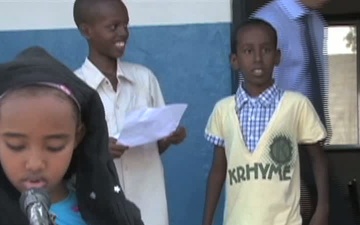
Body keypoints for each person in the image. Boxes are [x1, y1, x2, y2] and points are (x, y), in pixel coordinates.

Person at [202, 19, 329, 225]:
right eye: (248, 51)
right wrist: (206, 220)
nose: (258, 59)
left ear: (277, 57)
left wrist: (322, 208)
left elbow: (318, 160)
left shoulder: (296, 105)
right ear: (235, 60)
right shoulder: (223, 110)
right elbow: (218, 169)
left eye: (266, 50)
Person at [0, 46, 143, 225]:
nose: (35, 164)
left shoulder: (109, 215)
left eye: (54, 146)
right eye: (16, 145)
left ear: (78, 136)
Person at [72, 1, 186, 225]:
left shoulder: (144, 79)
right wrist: (98, 152)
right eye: (113, 27)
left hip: (149, 205)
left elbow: (156, 146)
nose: (123, 32)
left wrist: (168, 137)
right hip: (100, 208)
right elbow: (64, 154)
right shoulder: (76, 88)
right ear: (87, 31)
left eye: (125, 25)